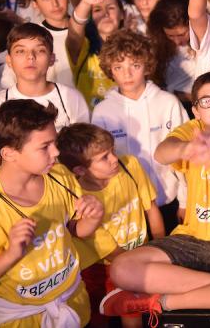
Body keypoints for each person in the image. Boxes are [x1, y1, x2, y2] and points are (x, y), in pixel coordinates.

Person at [100, 72, 210, 328]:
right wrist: (187, 149)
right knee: (122, 268)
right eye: (207, 101)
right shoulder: (192, 131)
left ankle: (162, 302)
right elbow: (163, 152)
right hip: (192, 238)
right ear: (195, 110)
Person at [0, 100, 104, 328]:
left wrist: (92, 218)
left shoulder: (60, 175)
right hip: (21, 318)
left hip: (72, 300)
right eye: (44, 147)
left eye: (54, 142)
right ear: (9, 153)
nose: (56, 152)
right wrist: (10, 254)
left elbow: (73, 230)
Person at [57, 123, 163, 328]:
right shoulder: (77, 196)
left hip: (140, 256)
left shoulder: (130, 165)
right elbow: (109, 249)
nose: (114, 159)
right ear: (80, 169)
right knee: (98, 317)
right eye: (104, 157)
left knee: (134, 312)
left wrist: (161, 247)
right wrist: (139, 265)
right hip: (100, 267)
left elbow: (150, 208)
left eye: (112, 151)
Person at [91, 29, 189, 233]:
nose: (127, 74)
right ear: (110, 70)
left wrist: (185, 201)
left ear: (146, 66)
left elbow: (185, 158)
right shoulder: (103, 112)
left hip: (168, 201)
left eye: (134, 66)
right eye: (119, 67)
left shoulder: (167, 102)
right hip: (127, 209)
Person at [0, 23, 89, 178]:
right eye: (21, 51)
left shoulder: (72, 98)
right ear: (9, 60)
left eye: (40, 50)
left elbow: (84, 154)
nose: (30, 57)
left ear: (51, 58)